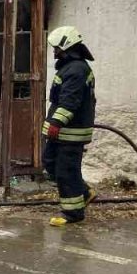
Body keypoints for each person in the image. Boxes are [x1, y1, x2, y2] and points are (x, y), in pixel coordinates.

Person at [41, 26, 97, 227]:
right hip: (63, 131)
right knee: (49, 162)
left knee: (66, 170)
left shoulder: (76, 70)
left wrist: (57, 123)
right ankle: (83, 192)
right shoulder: (71, 68)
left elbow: (69, 101)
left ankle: (73, 212)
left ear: (67, 47)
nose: (55, 51)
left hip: (70, 132)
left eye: (57, 48)